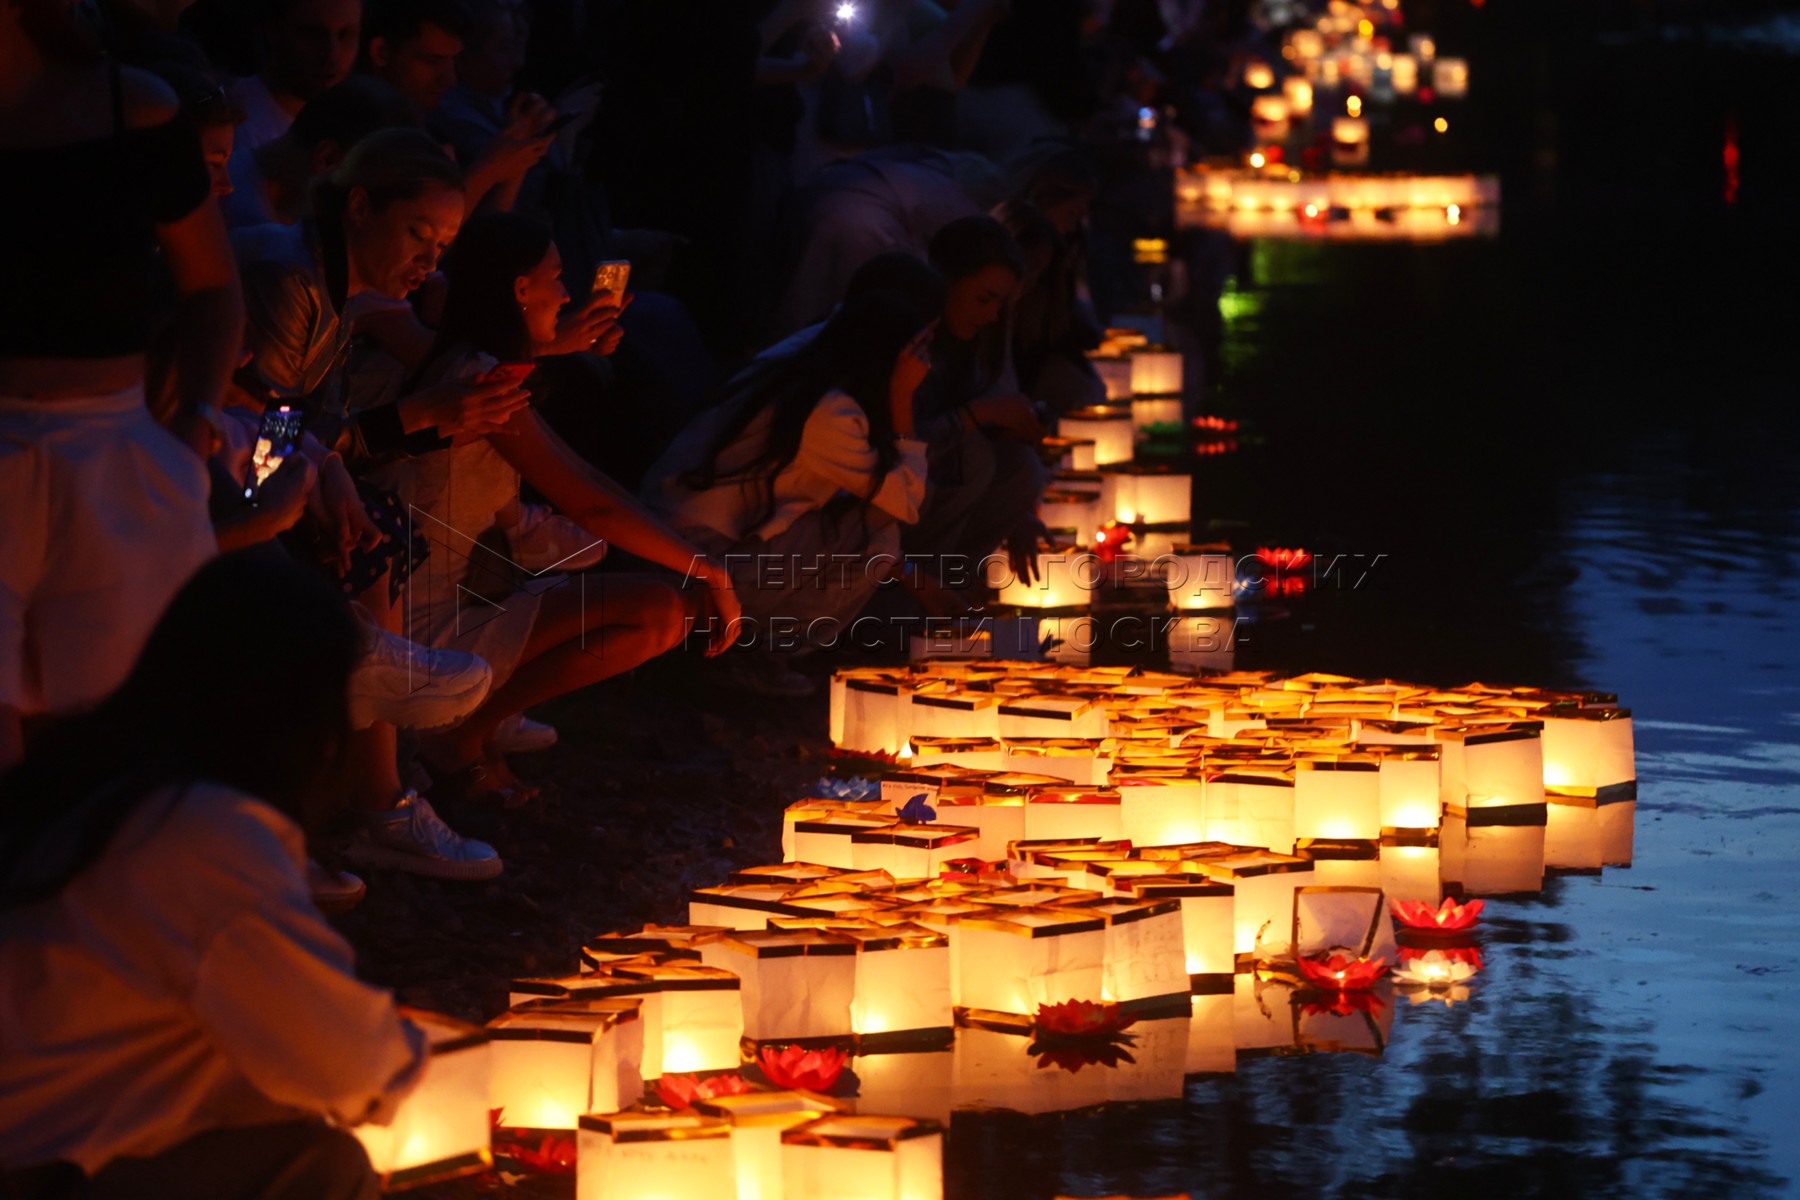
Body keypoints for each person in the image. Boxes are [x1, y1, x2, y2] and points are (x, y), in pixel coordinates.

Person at [0, 550, 426, 1200]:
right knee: (323, 1163)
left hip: (37, 1131)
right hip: (45, 1168)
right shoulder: (201, 835)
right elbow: (340, 1059)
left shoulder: (86, 788)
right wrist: (416, 1060)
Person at [379, 213, 742, 803]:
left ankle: (472, 725)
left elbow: (587, 480)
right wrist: (709, 570)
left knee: (656, 601)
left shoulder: (478, 364)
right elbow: (589, 503)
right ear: (521, 289)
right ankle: (459, 734)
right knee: (657, 613)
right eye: (556, 277)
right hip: (432, 621)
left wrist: (689, 558)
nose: (568, 295)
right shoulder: (478, 380)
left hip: (465, 596)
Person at [235, 127, 514, 877]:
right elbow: (260, 423)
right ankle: (356, 775)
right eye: (418, 233)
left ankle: (367, 792)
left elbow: (302, 424)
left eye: (443, 245)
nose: (430, 262)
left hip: (252, 470)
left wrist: (331, 463)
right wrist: (402, 424)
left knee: (371, 523)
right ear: (360, 206)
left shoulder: (337, 292)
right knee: (350, 530)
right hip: (200, 479)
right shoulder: (288, 280)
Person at [0, 0, 239, 770]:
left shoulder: (130, 109)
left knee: (113, 749)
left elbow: (213, 285)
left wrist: (196, 421)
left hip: (112, 454)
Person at [645, 291, 933, 696]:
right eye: (919, 353)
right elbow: (905, 500)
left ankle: (740, 650)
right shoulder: (827, 411)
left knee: (860, 523)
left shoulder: (797, 373)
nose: (926, 365)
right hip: (693, 556)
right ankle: (754, 654)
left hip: (674, 541)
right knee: (878, 535)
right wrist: (902, 398)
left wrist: (917, 579)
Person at [911, 213, 1049, 585]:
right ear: (944, 282)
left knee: (1020, 466)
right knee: (973, 460)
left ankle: (954, 584)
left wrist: (1017, 512)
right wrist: (980, 414)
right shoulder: (908, 341)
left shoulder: (968, 343)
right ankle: (916, 587)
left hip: (932, 476)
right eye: (984, 299)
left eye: (1000, 305)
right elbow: (900, 446)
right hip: (888, 493)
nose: (992, 315)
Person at [221, 0, 362, 225]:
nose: (331, 53)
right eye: (312, 34)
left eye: (346, 34)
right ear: (274, 31)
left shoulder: (354, 132)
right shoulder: (228, 125)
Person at [225, 74, 418, 228]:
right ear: (328, 159)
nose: (362, 214)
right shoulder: (220, 208)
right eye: (364, 197)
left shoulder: (293, 227)